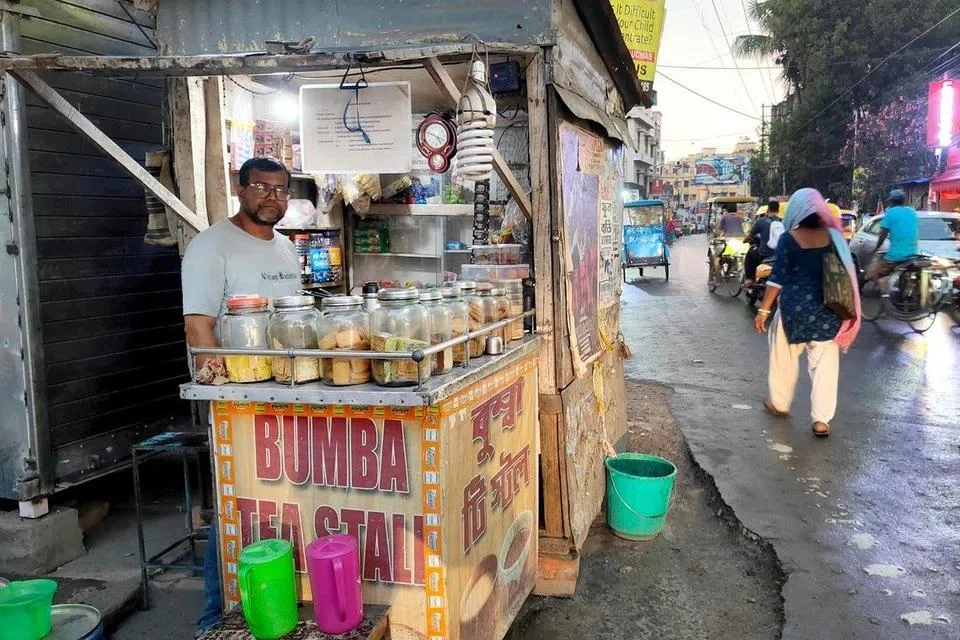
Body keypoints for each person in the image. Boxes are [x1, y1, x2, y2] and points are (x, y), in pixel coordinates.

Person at [181, 156, 301, 635]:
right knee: (235, 503)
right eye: (261, 188)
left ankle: (275, 596)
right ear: (240, 189)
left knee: (276, 498)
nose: (272, 198)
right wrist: (223, 393)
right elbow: (198, 324)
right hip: (239, 400)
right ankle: (214, 616)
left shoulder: (287, 249)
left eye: (280, 189)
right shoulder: (212, 247)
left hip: (288, 393)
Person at [754, 188, 861, 438]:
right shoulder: (835, 238)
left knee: (784, 356)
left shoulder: (789, 239)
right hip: (828, 310)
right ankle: (821, 420)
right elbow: (848, 270)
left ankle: (780, 402)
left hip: (794, 311)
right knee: (825, 366)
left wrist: (764, 310)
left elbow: (777, 279)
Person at [866, 188, 919, 285]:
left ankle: (885, 289)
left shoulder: (890, 212)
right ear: (904, 200)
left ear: (892, 201)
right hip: (913, 254)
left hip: (895, 256)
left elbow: (883, 234)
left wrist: (876, 249)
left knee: (872, 274)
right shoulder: (912, 212)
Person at [744, 200, 780, 285]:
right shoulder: (782, 221)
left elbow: (750, 235)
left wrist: (745, 240)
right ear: (778, 210)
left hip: (764, 254)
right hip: (778, 254)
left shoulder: (761, 221)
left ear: (768, 209)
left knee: (750, 254)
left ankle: (749, 278)